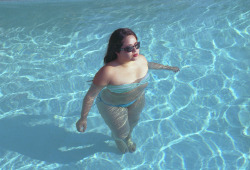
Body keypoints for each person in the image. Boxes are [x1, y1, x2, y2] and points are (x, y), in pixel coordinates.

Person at [76, 28, 180, 153]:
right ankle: (119, 139)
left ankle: (128, 138)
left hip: (137, 99)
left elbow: (150, 64)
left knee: (133, 123)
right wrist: (83, 118)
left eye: (137, 45)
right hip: (112, 105)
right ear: (116, 51)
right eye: (129, 48)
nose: (135, 50)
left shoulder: (141, 59)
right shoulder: (108, 71)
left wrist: (169, 68)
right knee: (121, 133)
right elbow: (90, 96)